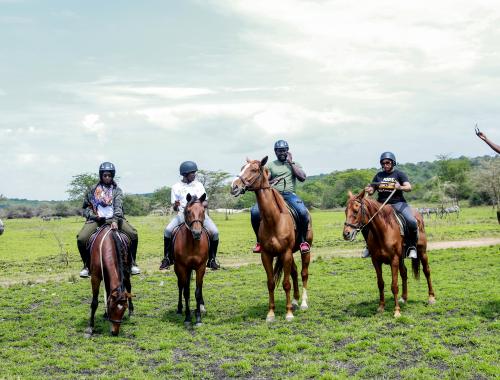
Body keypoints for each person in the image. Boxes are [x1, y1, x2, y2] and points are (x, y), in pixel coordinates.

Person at [76, 162, 141, 278]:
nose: (107, 177)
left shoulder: (117, 190)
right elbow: (85, 208)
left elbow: (118, 207)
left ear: (112, 176)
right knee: (81, 238)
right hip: (97, 220)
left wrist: (115, 220)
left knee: (133, 234)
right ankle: (86, 266)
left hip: (114, 219)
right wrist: (94, 216)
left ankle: (132, 263)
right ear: (101, 175)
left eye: (109, 175)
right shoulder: (92, 190)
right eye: (105, 175)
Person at [250, 139, 311, 254]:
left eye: (284, 150)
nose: (282, 153)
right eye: (279, 151)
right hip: (273, 196)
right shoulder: (270, 165)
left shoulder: (295, 164)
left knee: (303, 212)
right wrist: (272, 181)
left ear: (288, 151)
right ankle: (259, 242)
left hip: (290, 195)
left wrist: (291, 163)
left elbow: (302, 178)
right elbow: (264, 181)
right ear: (275, 152)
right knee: (254, 212)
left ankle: (302, 241)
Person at [159, 161, 220, 270]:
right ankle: (167, 258)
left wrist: (200, 205)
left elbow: (205, 202)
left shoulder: (199, 185)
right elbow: (174, 207)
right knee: (168, 230)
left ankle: (212, 259)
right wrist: (176, 206)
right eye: (192, 173)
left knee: (215, 232)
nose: (194, 174)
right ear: (185, 174)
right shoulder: (176, 187)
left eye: (194, 172)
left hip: (200, 215)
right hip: (183, 214)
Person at [362, 152, 418, 259]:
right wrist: (369, 190)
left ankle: (411, 247)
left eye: (388, 162)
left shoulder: (399, 174)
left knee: (411, 221)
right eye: (383, 163)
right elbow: (373, 189)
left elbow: (409, 187)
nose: (385, 165)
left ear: (393, 163)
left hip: (398, 203)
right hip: (381, 205)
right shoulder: (378, 176)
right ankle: (369, 247)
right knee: (365, 223)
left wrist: (400, 187)